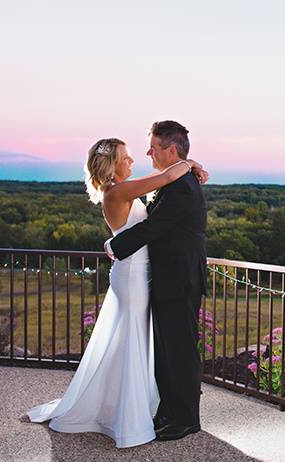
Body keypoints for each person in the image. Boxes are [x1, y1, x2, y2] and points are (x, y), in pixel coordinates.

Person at [27, 135, 208, 448]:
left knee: (132, 340)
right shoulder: (120, 190)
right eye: (126, 157)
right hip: (134, 276)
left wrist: (188, 164)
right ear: (112, 165)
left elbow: (162, 185)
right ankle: (128, 415)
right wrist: (189, 163)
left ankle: (132, 406)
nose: (133, 161)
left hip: (138, 274)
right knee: (132, 341)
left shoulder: (120, 188)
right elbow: (165, 177)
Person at [105, 120, 208, 442]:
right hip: (167, 279)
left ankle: (186, 419)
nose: (148, 151)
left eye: (153, 146)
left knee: (179, 352)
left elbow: (155, 227)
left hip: (180, 280)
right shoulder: (177, 179)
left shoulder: (181, 186)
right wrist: (190, 164)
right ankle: (168, 411)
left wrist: (115, 245)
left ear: (171, 150)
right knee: (167, 350)